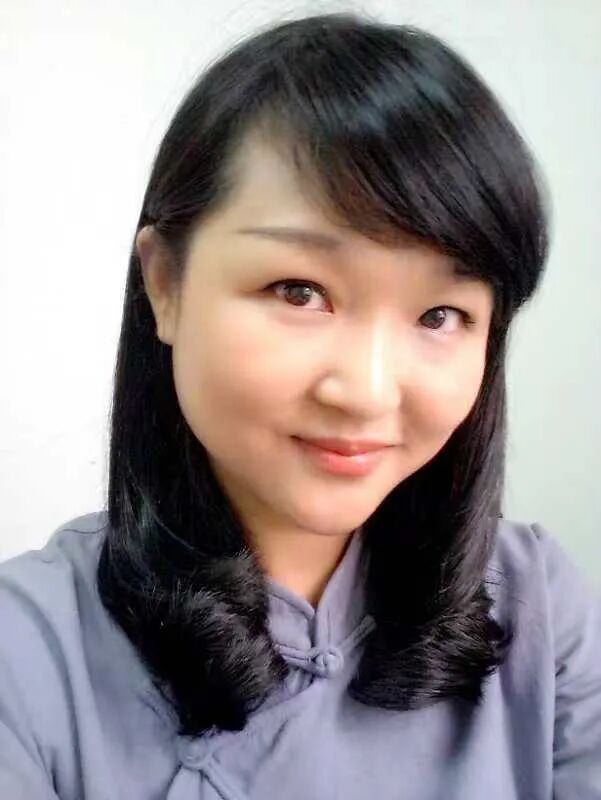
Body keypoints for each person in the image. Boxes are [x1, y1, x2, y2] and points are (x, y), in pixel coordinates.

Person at [0, 10, 599, 800]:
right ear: (165, 283)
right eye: (299, 291)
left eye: (438, 315)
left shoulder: (539, 607)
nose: (367, 391)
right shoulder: (26, 652)